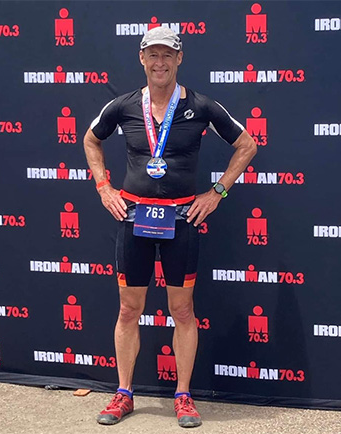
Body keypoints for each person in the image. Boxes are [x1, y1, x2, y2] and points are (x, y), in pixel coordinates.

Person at [83, 26, 257, 428]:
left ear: (180, 59)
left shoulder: (201, 105)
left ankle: (183, 396)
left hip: (182, 219)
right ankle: (124, 393)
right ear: (141, 59)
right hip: (134, 217)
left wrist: (216, 193)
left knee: (182, 310)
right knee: (130, 309)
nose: (159, 63)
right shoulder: (124, 105)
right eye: (153, 55)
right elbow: (91, 140)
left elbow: (247, 144)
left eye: (167, 55)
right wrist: (103, 186)